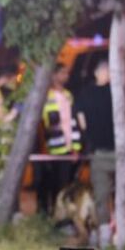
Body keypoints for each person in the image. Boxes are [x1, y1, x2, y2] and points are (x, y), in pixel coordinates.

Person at [74, 60, 114, 248]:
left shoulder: (85, 94)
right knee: (110, 195)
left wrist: (88, 137)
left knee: (101, 195)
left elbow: (82, 122)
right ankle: (108, 235)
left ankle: (104, 234)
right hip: (112, 151)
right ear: (101, 72)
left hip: (98, 151)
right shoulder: (115, 93)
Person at [35, 65, 82, 217]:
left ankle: (61, 216)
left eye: (67, 72)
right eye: (63, 73)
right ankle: (48, 216)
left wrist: (75, 146)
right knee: (49, 185)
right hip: (50, 148)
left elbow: (72, 122)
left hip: (66, 148)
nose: (66, 76)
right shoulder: (45, 95)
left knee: (64, 186)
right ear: (53, 75)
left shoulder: (68, 95)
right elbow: (42, 123)